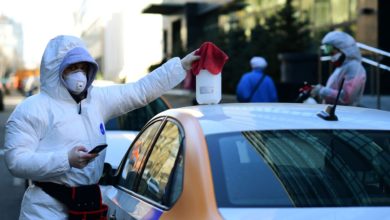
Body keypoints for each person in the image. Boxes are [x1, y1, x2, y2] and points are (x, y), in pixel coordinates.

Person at [4, 35, 199, 219]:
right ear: (56, 71)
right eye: (72, 68)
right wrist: (66, 160)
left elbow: (140, 91)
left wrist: (181, 66)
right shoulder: (31, 109)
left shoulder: (96, 100)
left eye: (83, 67)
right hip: (44, 211)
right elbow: (16, 161)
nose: (79, 74)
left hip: (87, 207)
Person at [311, 31, 366, 106]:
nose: (331, 56)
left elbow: (347, 98)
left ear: (345, 50)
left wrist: (322, 91)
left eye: (333, 53)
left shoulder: (354, 67)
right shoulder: (342, 66)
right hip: (337, 112)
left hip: (346, 114)